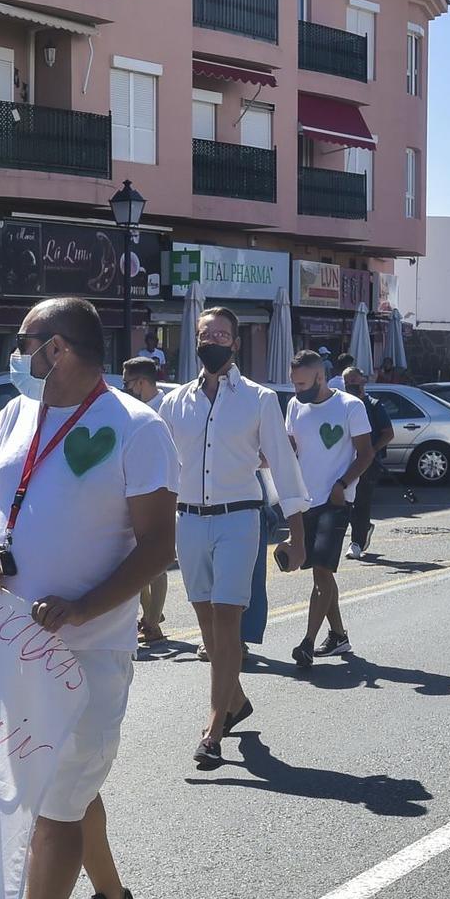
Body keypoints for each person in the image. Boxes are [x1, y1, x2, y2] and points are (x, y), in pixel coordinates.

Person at [0, 297, 178, 899]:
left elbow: (154, 548)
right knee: (63, 786)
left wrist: (82, 608)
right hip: (15, 641)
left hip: (91, 650)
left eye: (25, 343)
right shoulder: (14, 417)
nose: (16, 355)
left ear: (59, 349)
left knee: (55, 800)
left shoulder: (138, 429)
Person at [155, 308, 307, 767]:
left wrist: (296, 534)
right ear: (196, 341)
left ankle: (214, 726)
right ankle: (236, 701)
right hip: (188, 520)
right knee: (205, 623)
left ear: (235, 343)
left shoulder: (259, 399)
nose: (214, 340)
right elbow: (158, 469)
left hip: (240, 519)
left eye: (222, 334)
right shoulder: (174, 402)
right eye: (206, 334)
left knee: (227, 622)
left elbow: (284, 465)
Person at [284, 351, 374, 669]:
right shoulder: (295, 406)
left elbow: (366, 453)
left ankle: (307, 643)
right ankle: (338, 635)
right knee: (318, 571)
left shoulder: (350, 406)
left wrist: (342, 484)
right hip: (305, 500)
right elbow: (293, 446)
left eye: (302, 383)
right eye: (294, 383)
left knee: (322, 571)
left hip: (336, 501)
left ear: (320, 377)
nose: (297, 390)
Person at [121, 356, 171, 644]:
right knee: (132, 555)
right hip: (134, 489)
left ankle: (153, 622)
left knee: (156, 559)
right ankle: (150, 614)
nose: (126, 389)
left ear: (141, 382)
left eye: (128, 383)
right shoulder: (133, 410)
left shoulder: (167, 409)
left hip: (162, 490)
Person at [338, 363, 397, 559]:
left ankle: (356, 542)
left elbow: (388, 433)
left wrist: (370, 450)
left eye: (353, 381)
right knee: (345, 501)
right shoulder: (342, 405)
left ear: (363, 381)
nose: (351, 385)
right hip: (345, 461)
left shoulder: (373, 405)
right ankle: (361, 531)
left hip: (368, 462)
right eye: (347, 382)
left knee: (361, 502)